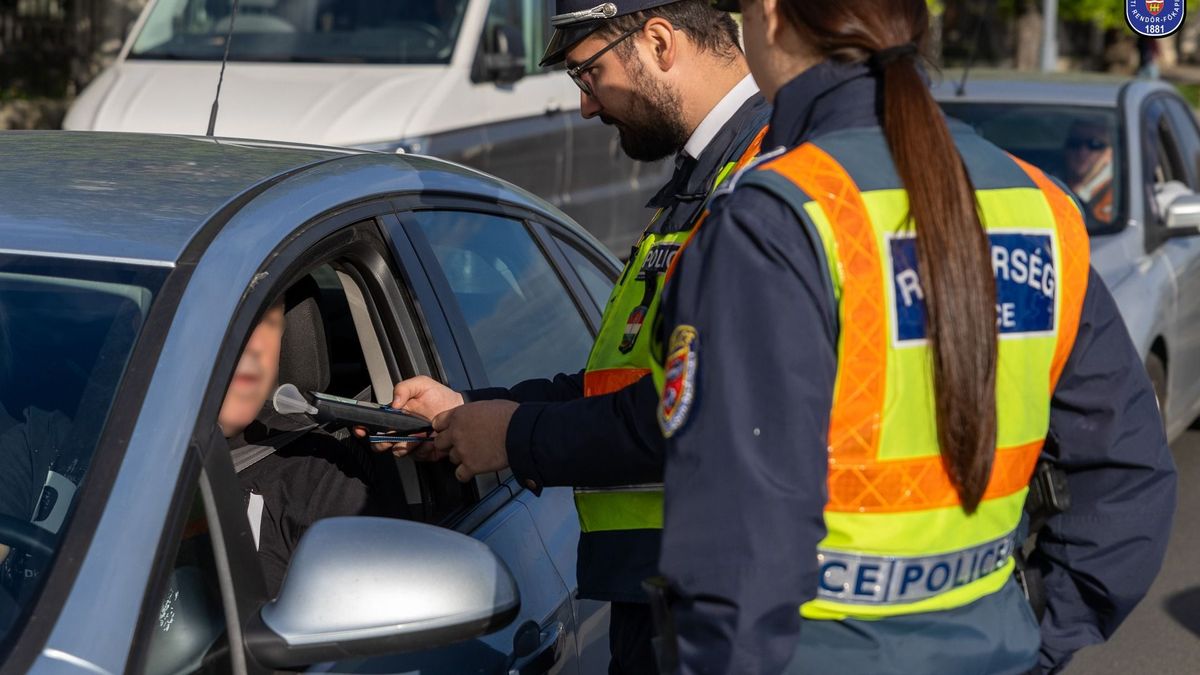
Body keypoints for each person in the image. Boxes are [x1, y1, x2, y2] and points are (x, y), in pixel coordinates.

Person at [653, 1, 1177, 674]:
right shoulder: (1040, 203)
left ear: (774, 16)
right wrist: (1029, 637)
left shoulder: (777, 219)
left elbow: (739, 548)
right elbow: (1128, 476)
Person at [369, 2, 770, 672]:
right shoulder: (710, 180)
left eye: (589, 74)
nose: (586, 106)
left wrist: (513, 435)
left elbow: (691, 416)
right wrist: (469, 408)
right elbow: (622, 383)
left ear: (660, 43)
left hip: (722, 601)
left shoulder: (758, 187)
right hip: (672, 589)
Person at [223, 288, 397, 596]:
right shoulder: (130, 450)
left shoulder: (317, 474)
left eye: (267, 321)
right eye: (228, 318)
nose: (254, 346)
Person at [1063, 117, 1114, 225]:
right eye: (1075, 143)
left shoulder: (1117, 195)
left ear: (1109, 153)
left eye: (1094, 144)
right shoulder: (1048, 182)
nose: (1082, 152)